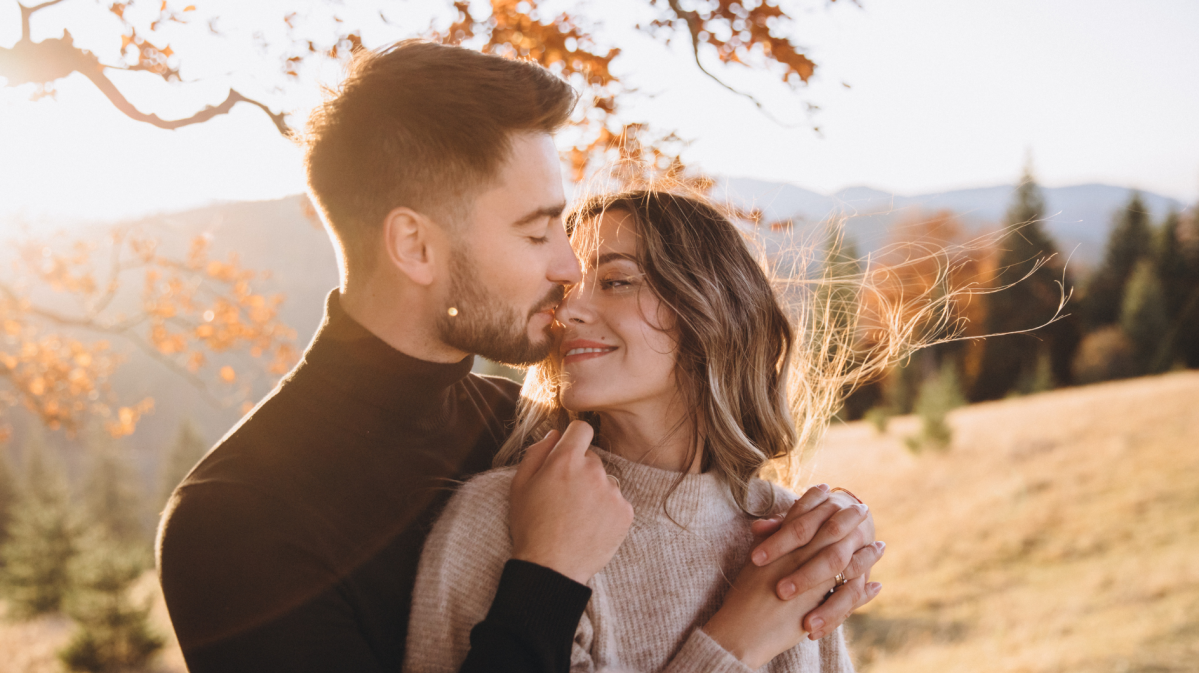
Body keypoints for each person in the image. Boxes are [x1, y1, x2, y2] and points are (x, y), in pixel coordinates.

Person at [157, 41, 878, 673]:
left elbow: (690, 497)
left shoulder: (530, 427)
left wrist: (832, 525)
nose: (567, 268)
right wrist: (548, 575)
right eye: (537, 234)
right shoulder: (236, 520)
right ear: (415, 247)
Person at [406, 190, 893, 672]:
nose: (567, 313)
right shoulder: (503, 521)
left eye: (616, 281)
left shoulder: (796, 537)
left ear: (713, 309)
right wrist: (733, 647)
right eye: (562, 292)